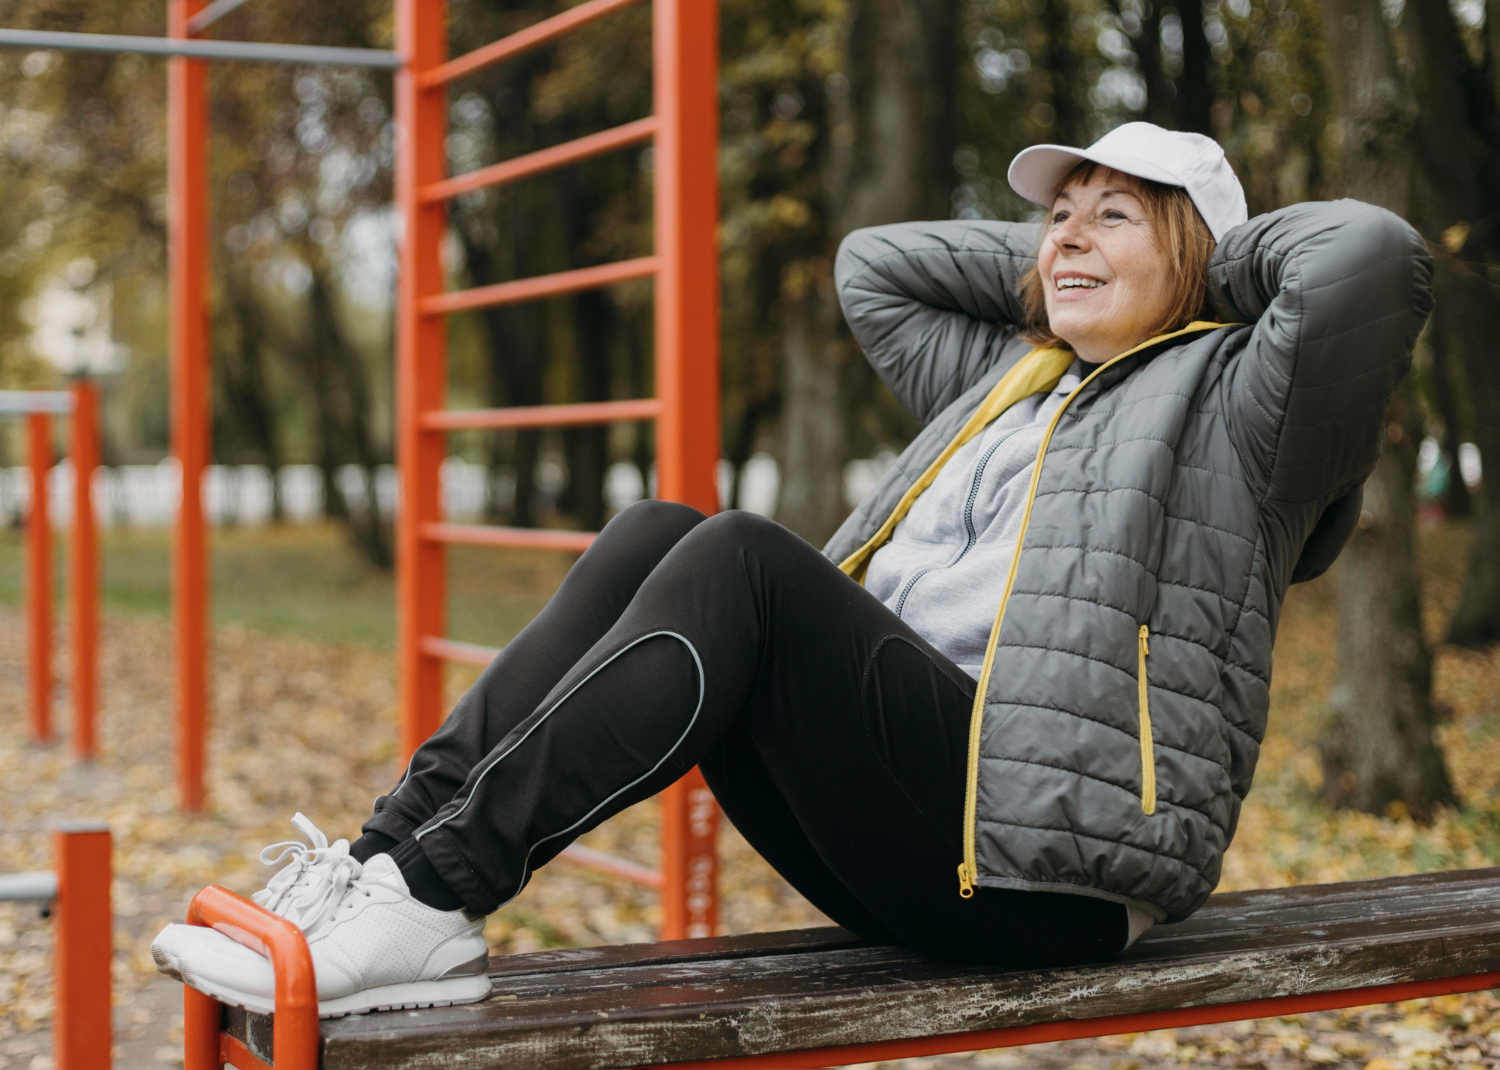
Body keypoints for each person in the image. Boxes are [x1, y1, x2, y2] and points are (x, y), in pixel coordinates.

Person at [152, 122, 1432, 1019]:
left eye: (1113, 215)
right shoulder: (1009, 381)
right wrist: (1073, 273)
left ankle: (437, 892)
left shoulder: (1246, 416)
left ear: (1202, 255)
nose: (1065, 239)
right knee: (661, 527)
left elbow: (1368, 254)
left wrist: (1211, 256)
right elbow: (873, 267)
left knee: (745, 562)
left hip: (1048, 868)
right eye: (1056, 217)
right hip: (917, 813)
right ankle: (389, 866)